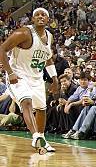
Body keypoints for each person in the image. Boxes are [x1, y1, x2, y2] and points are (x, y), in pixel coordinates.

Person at [0, 8, 58, 153]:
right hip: (18, 75)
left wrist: (55, 79)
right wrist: (10, 72)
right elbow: (2, 49)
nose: (40, 16)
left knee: (41, 109)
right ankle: (36, 136)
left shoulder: (49, 36)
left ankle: (42, 139)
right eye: (36, 15)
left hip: (36, 76)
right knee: (26, 102)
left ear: (48, 20)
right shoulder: (24, 33)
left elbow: (48, 58)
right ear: (32, 19)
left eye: (43, 14)